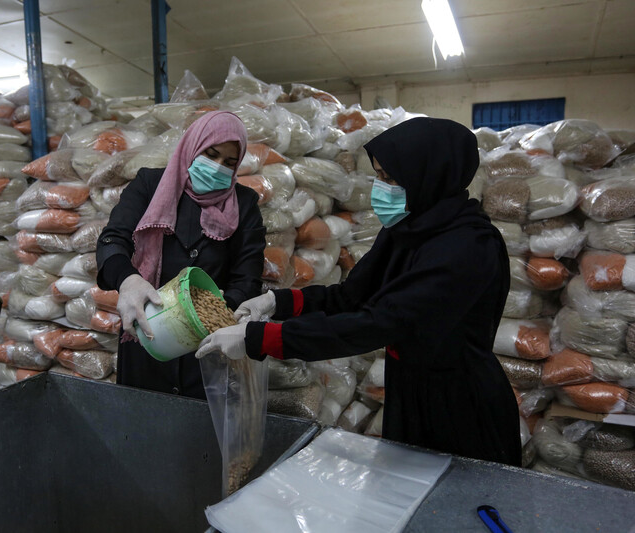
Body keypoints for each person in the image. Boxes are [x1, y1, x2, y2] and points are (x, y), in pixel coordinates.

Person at [196, 117, 522, 466]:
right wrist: (278, 301)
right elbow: (351, 297)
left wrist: (258, 338)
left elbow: (377, 323)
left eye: (390, 178)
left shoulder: (467, 247)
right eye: (379, 176)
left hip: (458, 404)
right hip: (409, 390)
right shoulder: (408, 228)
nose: (381, 188)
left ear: (428, 176)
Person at [96, 110, 266, 399]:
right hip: (146, 339)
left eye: (229, 162)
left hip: (207, 350)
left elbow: (248, 277)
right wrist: (128, 281)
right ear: (192, 146)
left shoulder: (244, 204)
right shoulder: (150, 185)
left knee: (197, 435)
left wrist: (213, 314)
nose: (216, 167)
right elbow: (113, 239)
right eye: (210, 154)